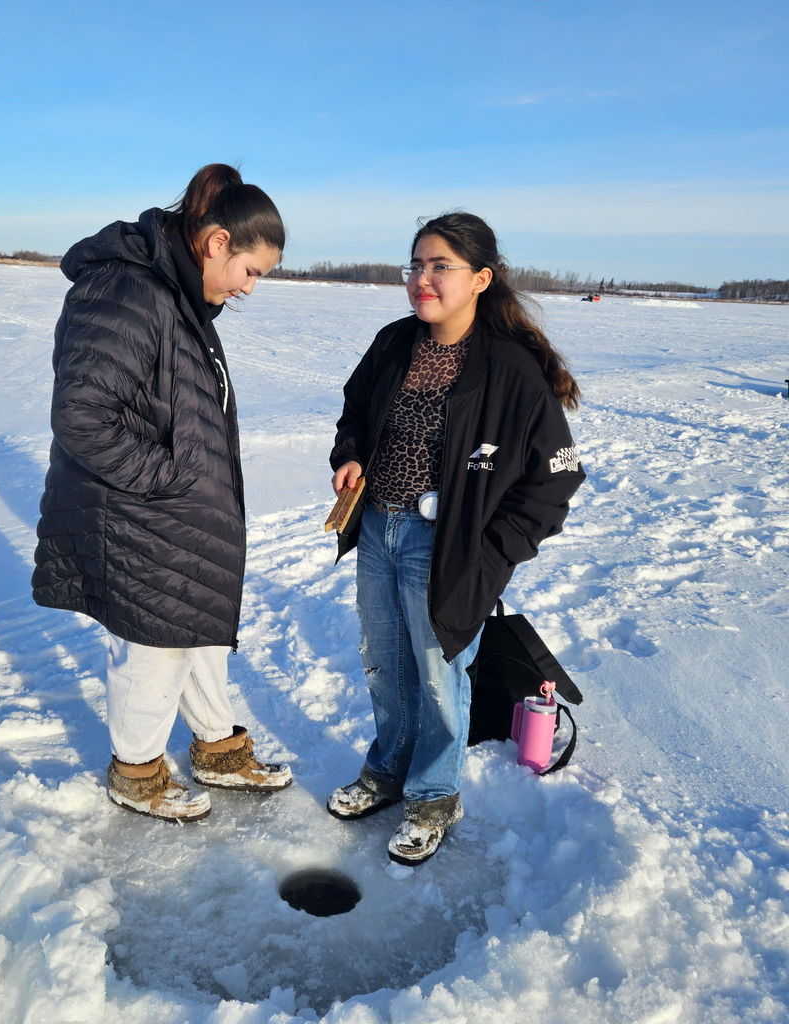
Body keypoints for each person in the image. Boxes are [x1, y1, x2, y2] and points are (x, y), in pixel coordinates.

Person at [33, 164, 292, 823]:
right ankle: (138, 774)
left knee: (199, 635)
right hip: (139, 514)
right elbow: (83, 416)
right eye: (251, 271)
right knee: (151, 650)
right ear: (215, 243)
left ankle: (217, 751)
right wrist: (170, 480)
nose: (249, 288)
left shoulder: (176, 295)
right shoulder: (129, 290)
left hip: (180, 517)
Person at [327, 212, 585, 864]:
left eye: (440, 265)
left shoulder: (509, 370)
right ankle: (387, 772)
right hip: (378, 526)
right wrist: (351, 454)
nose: (422, 278)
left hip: (446, 547)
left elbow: (555, 478)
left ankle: (435, 795)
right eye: (416, 263)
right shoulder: (394, 343)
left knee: (440, 676)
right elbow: (355, 412)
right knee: (386, 666)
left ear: (480, 279)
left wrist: (492, 552)